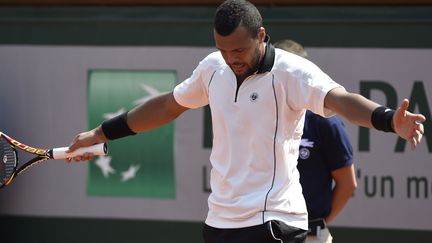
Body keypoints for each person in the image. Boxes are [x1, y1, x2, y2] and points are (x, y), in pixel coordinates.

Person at [66, 1, 426, 242]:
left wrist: (386, 120)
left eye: (238, 50)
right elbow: (165, 107)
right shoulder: (213, 68)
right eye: (223, 50)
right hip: (220, 222)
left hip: (276, 221)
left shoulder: (292, 72)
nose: (231, 58)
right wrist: (101, 131)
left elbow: (341, 100)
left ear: (261, 36)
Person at [274, 39, 357, 243]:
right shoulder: (261, 117)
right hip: (265, 231)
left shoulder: (326, 123)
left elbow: (347, 184)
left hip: (310, 235)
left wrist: (316, 225)